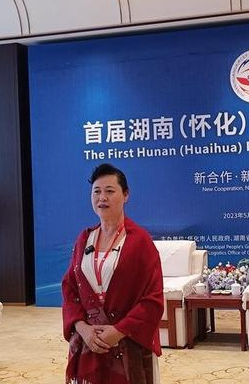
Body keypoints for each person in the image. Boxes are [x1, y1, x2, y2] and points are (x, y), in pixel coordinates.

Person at [62, 163, 164, 384]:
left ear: (126, 195)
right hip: (89, 344)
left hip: (127, 344)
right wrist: (83, 328)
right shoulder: (84, 239)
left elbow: (153, 299)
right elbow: (70, 290)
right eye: (96, 191)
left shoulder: (140, 242)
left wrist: (119, 331)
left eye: (110, 191)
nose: (102, 198)